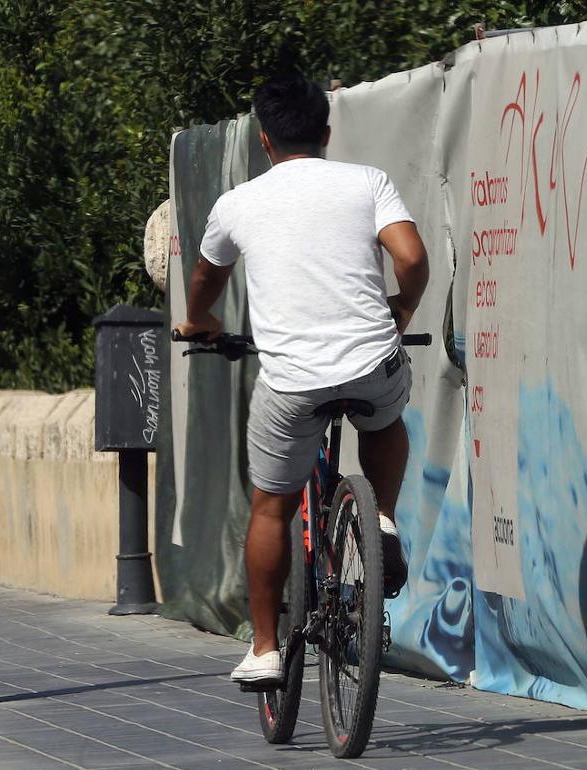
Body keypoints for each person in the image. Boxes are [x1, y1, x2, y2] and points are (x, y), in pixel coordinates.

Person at [174, 73, 430, 684]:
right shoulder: (367, 182)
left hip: (291, 383)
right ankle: (384, 517)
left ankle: (263, 649)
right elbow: (413, 258)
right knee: (386, 415)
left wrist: (200, 321)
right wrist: (401, 310)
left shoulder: (236, 203)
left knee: (270, 507)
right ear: (326, 132)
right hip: (371, 360)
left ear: (265, 140)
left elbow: (205, 280)